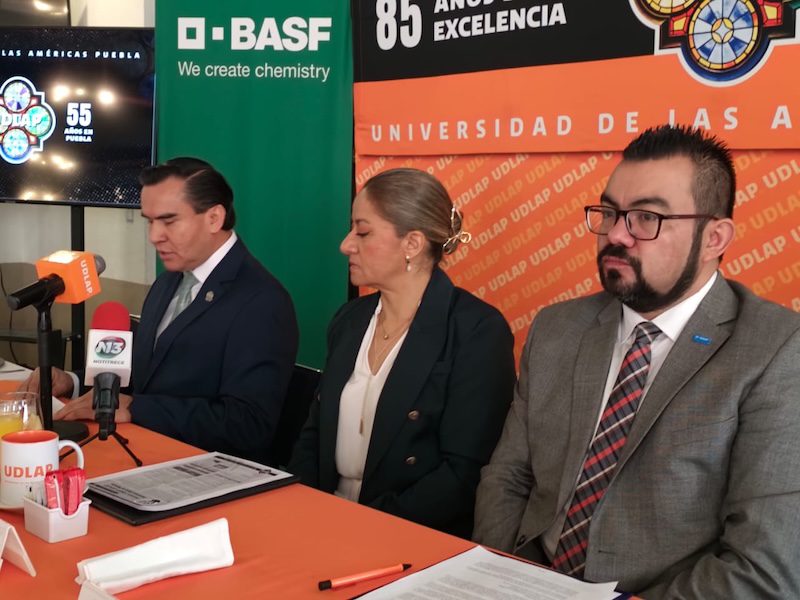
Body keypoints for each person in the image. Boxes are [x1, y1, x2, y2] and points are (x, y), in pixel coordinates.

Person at [473, 125, 800, 598]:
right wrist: (500, 578)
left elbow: (762, 568)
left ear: (714, 238)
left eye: (646, 217)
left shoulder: (776, 350)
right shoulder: (557, 328)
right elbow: (508, 477)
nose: (616, 234)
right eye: (609, 212)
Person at [20, 157, 299, 463]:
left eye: (169, 221)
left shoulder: (261, 300)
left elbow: (248, 424)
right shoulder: (169, 281)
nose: (154, 236)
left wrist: (137, 408)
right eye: (150, 221)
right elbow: (146, 375)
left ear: (214, 218)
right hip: (143, 452)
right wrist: (72, 382)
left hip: (206, 471)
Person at [289, 167, 516, 538]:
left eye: (363, 232)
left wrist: (362, 528)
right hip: (323, 523)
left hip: (409, 538)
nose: (346, 244)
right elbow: (313, 434)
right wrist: (305, 511)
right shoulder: (350, 319)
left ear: (412, 243)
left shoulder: (477, 331)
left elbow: (462, 474)